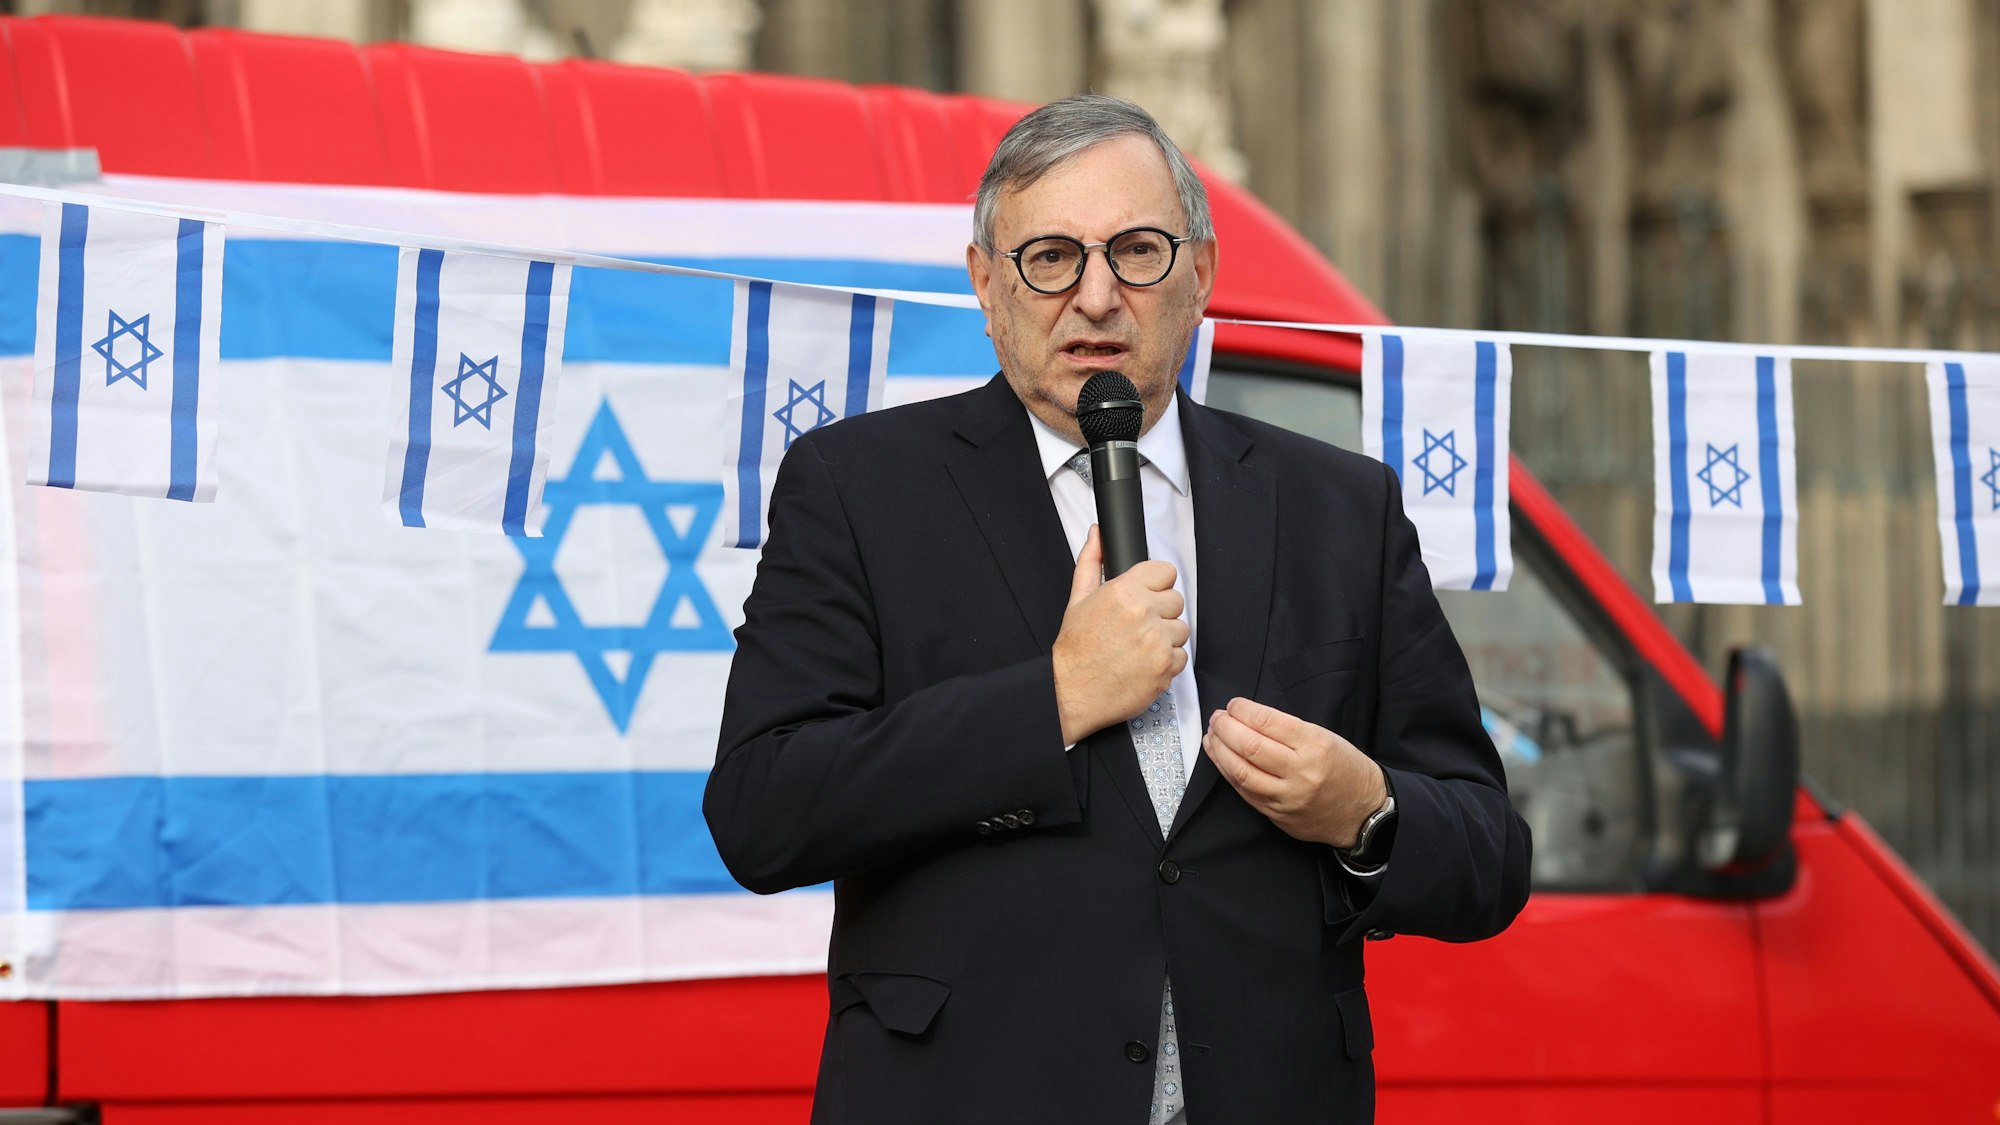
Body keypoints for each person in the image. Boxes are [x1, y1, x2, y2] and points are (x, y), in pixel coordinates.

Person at [704, 94, 1531, 1125]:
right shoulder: (859, 489)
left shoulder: (1336, 505)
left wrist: (1365, 812)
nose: (1094, 296)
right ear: (984, 285)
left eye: (1136, 251)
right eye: (1049, 257)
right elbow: (761, 811)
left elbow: (1488, 857)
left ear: (1200, 275)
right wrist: (1053, 699)